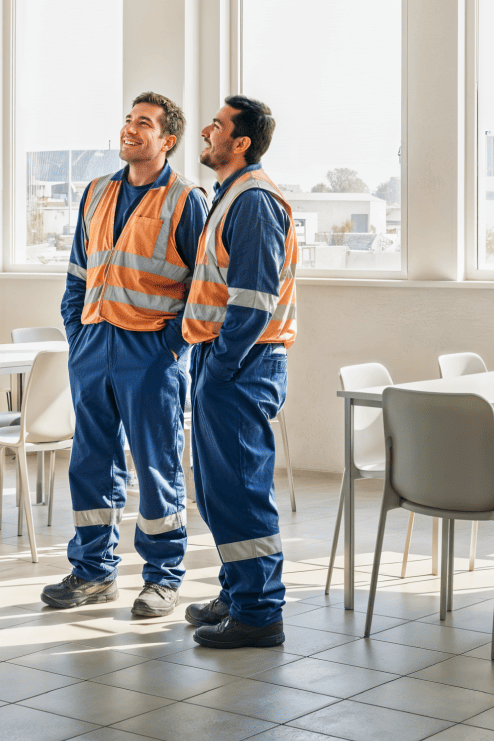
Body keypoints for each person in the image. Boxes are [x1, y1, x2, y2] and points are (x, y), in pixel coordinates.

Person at [41, 93, 208, 616]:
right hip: (94, 346)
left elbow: (204, 288)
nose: (130, 129)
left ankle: (162, 578)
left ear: (168, 140)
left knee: (157, 466)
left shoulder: (186, 200)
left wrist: (169, 345)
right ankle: (93, 573)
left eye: (145, 123)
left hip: (151, 354)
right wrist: (78, 332)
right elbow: (76, 274)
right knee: (90, 462)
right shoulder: (96, 193)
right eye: (128, 120)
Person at [182, 96, 297, 649]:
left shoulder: (252, 200)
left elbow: (253, 301)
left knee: (242, 491)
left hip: (241, 363)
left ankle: (259, 614)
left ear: (241, 142)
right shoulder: (229, 196)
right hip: (223, 359)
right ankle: (238, 591)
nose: (207, 131)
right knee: (217, 490)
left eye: (219, 125)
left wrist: (221, 366)